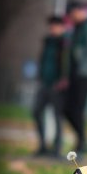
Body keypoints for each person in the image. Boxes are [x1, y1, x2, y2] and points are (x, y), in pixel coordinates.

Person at [66, 0, 87, 155]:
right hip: (75, 75)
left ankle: (83, 143)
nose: (72, 18)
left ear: (79, 11)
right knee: (68, 109)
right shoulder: (77, 29)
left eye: (73, 14)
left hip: (86, 75)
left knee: (78, 109)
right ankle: (82, 140)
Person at [33, 15, 68, 158]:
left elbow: (67, 64)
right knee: (36, 111)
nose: (52, 28)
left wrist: (63, 79)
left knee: (57, 116)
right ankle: (42, 146)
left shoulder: (65, 43)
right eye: (51, 26)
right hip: (44, 84)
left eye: (55, 25)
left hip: (57, 86)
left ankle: (57, 148)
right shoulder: (47, 42)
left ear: (61, 27)